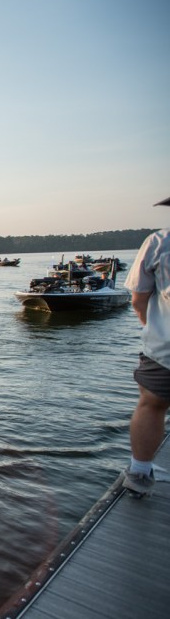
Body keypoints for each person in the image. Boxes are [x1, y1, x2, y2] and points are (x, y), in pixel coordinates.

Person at [122, 197, 170, 496]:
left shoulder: (159, 242)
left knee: (152, 404)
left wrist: (148, 327)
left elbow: (138, 299)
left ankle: (139, 473)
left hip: (165, 344)